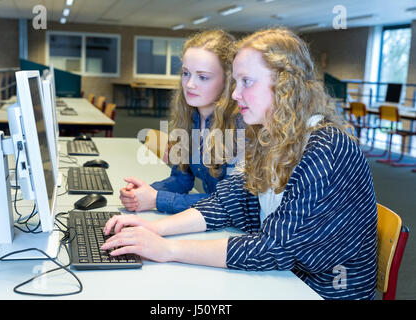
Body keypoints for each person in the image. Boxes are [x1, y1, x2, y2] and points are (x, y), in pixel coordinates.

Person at [102, 28, 377, 300]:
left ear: (285, 86)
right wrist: (154, 229)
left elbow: (274, 248)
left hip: (322, 290)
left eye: (246, 81)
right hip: (286, 278)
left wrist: (168, 250)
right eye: (235, 82)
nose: (234, 94)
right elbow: (227, 203)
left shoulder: (328, 147)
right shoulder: (266, 136)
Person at [120, 29, 245, 214]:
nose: (189, 84)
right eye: (186, 73)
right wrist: (145, 191)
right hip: (209, 221)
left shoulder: (240, 126)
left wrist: (157, 199)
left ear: (228, 81)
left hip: (237, 231)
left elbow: (229, 203)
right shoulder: (191, 118)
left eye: (202, 77)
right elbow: (181, 179)